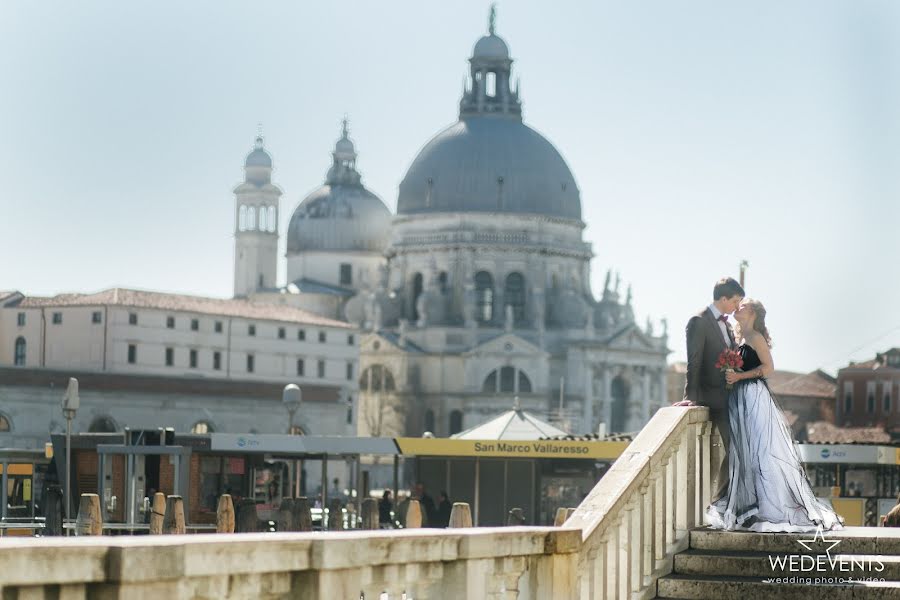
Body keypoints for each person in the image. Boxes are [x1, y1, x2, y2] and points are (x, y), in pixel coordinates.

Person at [704, 298, 844, 532]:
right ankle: (746, 507)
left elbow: (769, 368)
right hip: (738, 397)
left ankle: (765, 507)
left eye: (743, 306)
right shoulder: (739, 338)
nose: (738, 307)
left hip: (753, 397)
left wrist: (739, 377)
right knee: (743, 451)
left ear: (753, 314)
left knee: (759, 451)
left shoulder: (756, 337)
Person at [674, 277, 744, 501]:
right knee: (736, 450)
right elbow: (694, 361)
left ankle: (726, 500)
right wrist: (690, 397)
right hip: (712, 399)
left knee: (743, 450)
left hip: (731, 398)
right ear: (723, 299)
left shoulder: (728, 325)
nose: (737, 307)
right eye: (735, 301)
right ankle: (720, 502)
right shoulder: (699, 320)